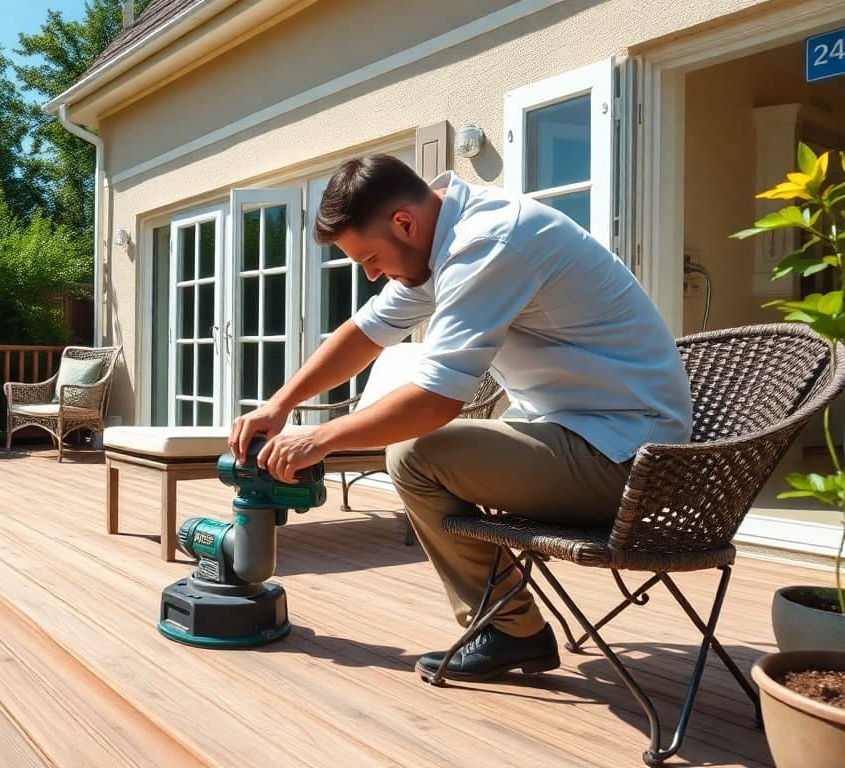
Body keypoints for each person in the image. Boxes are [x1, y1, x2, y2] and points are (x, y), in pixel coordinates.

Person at [228, 154, 692, 682]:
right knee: (423, 451)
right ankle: (510, 622)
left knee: (416, 456)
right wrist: (280, 403)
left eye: (371, 258)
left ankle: (511, 629)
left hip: (635, 460)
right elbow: (365, 332)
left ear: (404, 223)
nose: (371, 274)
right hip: (590, 436)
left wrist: (320, 439)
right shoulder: (444, 241)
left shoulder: (488, 243)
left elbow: (435, 401)